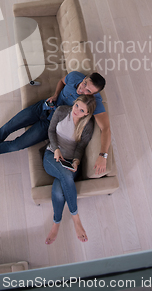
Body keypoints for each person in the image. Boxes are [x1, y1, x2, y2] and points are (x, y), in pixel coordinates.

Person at [0, 71, 111, 175]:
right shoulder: (75, 76)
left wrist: (103, 155)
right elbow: (62, 81)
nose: (82, 89)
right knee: (9, 125)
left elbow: (105, 128)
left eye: (88, 91)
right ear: (85, 78)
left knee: (17, 144)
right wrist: (56, 95)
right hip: (44, 106)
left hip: (51, 123)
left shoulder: (94, 103)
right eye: (85, 83)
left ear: (93, 94)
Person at [43, 95, 96, 244]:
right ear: (75, 102)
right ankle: (76, 220)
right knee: (65, 176)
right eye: (77, 106)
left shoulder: (87, 125)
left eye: (82, 110)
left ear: (87, 113)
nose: (76, 110)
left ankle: (56, 224)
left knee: (60, 191)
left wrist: (77, 161)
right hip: (51, 155)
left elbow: (80, 147)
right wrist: (56, 149)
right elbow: (51, 131)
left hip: (70, 162)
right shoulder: (61, 111)